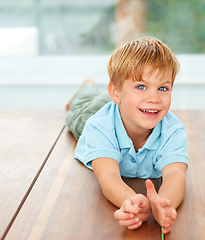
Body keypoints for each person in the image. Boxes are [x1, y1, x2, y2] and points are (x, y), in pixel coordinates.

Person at [65, 36, 188, 234]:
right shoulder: (97, 126)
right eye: (141, 86)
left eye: (163, 88)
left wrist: (163, 204)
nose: (154, 98)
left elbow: (176, 174)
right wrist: (131, 202)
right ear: (116, 92)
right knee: (81, 106)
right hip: (93, 112)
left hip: (127, 104)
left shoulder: (174, 130)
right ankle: (87, 86)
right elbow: (108, 175)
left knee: (125, 100)